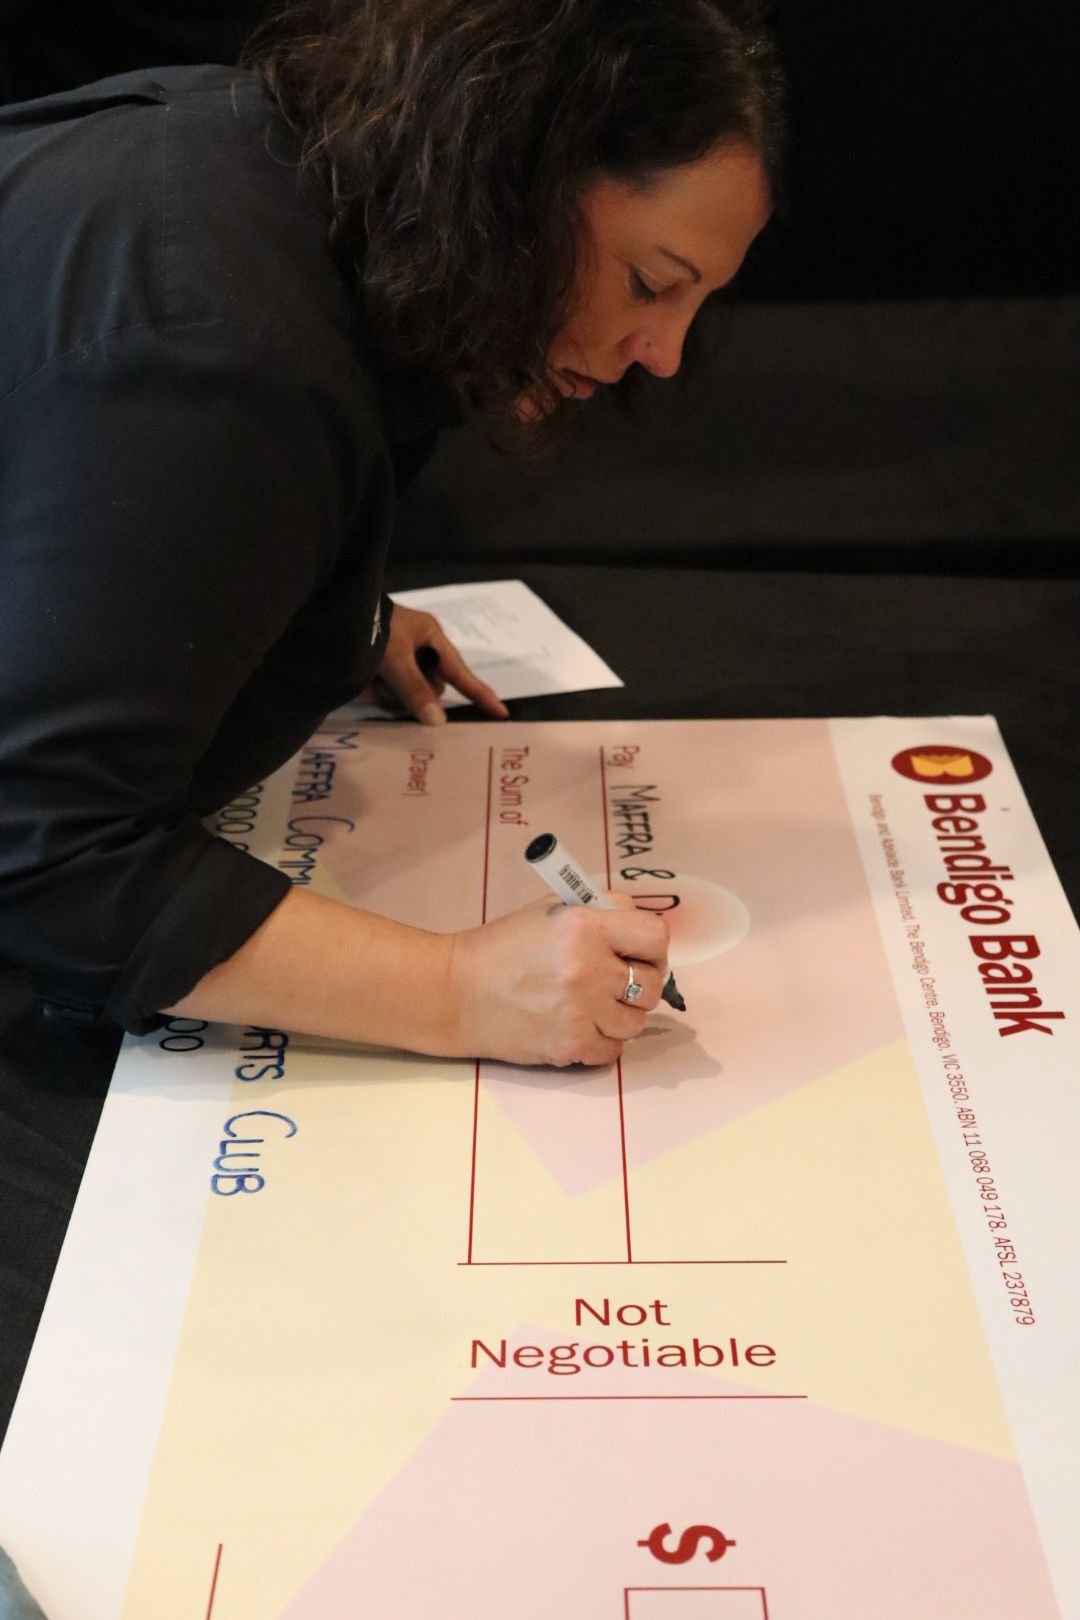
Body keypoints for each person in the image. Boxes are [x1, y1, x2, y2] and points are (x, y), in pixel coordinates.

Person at [0, 0, 783, 1078]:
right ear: (515, 173)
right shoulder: (223, 359)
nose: (663, 354)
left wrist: (294, 598)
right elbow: (43, 850)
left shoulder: (267, 154)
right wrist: (459, 991)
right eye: (651, 284)